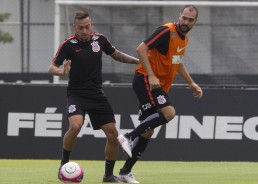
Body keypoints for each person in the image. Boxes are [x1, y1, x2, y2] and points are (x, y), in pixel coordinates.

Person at [48, 10, 139, 183]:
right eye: (81, 27)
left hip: (97, 95)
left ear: (92, 25)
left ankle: (108, 175)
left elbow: (117, 54)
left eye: (87, 27)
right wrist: (62, 71)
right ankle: (64, 164)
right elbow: (52, 68)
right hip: (76, 94)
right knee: (75, 126)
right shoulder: (68, 44)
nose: (84, 31)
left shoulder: (100, 40)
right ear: (75, 27)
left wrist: (137, 61)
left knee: (113, 134)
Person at [117, 5, 203, 183]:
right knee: (169, 113)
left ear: (195, 22)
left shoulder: (183, 38)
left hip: (157, 84)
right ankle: (128, 136)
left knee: (148, 131)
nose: (186, 22)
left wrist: (191, 83)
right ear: (179, 16)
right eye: (184, 18)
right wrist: (151, 75)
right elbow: (141, 49)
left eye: (190, 20)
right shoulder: (166, 31)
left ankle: (125, 173)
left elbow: (177, 62)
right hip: (145, 80)